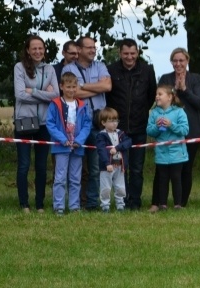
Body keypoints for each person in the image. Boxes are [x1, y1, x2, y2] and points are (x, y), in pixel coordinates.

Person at [105, 38, 157, 211]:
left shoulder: (147, 70)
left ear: (138, 53)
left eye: (133, 53)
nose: (129, 57)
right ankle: (122, 201)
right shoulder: (111, 70)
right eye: (126, 53)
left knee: (136, 168)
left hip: (139, 127)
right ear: (120, 53)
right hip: (117, 130)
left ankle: (134, 202)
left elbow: (151, 96)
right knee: (120, 167)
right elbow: (108, 97)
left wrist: (141, 113)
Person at [63, 35, 111, 211]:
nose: (92, 50)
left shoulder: (100, 66)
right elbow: (73, 93)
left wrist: (84, 86)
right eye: (89, 47)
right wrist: (94, 87)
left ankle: (92, 203)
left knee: (96, 166)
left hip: (100, 122)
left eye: (94, 47)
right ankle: (77, 203)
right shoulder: (68, 69)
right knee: (78, 166)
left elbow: (107, 87)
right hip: (79, 122)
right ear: (80, 50)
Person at [14, 34, 59, 213]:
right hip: (24, 121)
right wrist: (44, 95)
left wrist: (33, 90)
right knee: (24, 164)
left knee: (41, 166)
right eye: (34, 48)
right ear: (28, 50)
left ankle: (40, 204)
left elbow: (56, 95)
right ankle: (24, 204)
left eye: (41, 48)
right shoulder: (19, 67)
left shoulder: (50, 69)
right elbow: (20, 95)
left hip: (44, 124)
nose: (38, 51)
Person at [158, 47, 200, 207]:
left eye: (181, 60)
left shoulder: (196, 78)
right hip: (169, 130)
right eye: (175, 60)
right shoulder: (165, 78)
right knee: (167, 168)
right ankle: (162, 201)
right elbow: (161, 101)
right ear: (171, 62)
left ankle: (181, 202)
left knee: (186, 167)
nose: (178, 63)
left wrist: (184, 90)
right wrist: (175, 92)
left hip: (191, 130)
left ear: (187, 61)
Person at [45, 71, 91, 215]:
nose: (71, 90)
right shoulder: (55, 104)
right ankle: (59, 206)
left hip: (77, 147)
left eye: (73, 87)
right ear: (61, 86)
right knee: (59, 178)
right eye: (68, 86)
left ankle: (74, 206)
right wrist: (62, 139)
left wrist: (79, 140)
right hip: (61, 147)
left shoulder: (82, 105)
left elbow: (86, 125)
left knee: (75, 178)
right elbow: (50, 124)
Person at [146, 84, 189, 210]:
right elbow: (150, 131)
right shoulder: (154, 113)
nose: (157, 97)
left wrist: (171, 125)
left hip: (177, 154)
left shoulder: (179, 112)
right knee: (162, 179)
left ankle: (178, 204)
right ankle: (162, 204)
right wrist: (157, 127)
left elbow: (185, 130)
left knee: (176, 178)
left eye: (160, 94)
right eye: (156, 94)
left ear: (170, 97)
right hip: (161, 153)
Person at [94, 107, 132, 212]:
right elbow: (101, 150)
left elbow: (128, 142)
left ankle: (120, 205)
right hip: (107, 167)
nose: (114, 123)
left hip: (120, 165)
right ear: (103, 122)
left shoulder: (121, 133)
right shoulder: (101, 136)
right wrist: (107, 163)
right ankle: (105, 206)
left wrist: (117, 148)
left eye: (116, 120)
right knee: (105, 187)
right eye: (111, 121)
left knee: (120, 187)